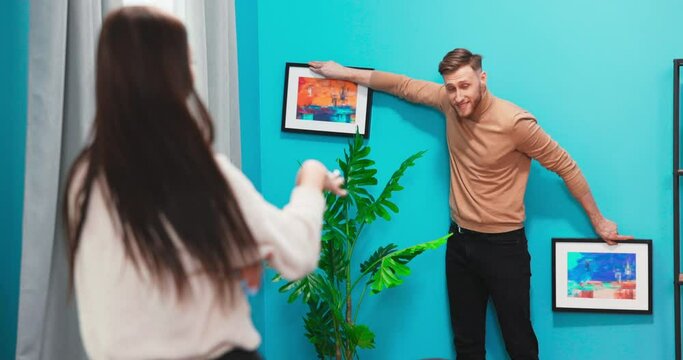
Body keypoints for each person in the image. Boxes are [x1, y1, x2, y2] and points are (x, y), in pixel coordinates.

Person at [309, 49, 632, 360]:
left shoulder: (515, 122)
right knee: (467, 346)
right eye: (451, 87)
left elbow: (566, 166)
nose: (458, 95)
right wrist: (343, 72)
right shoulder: (449, 103)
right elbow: (401, 85)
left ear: (482, 79)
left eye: (465, 85)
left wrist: (599, 221)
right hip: (460, 243)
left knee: (519, 345)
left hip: (505, 247)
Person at [63, 7, 345, 360]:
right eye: (190, 63)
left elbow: (157, 254)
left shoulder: (84, 181)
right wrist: (310, 181)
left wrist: (238, 250)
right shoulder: (198, 173)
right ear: (173, 76)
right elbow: (297, 254)